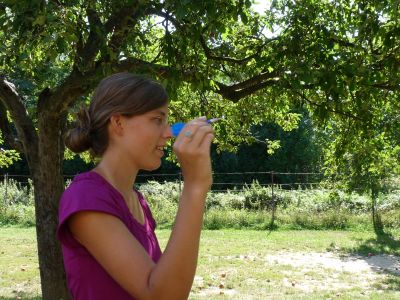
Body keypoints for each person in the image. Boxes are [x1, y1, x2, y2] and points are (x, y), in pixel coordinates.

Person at [57, 72, 215, 300]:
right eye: (157, 120)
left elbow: (164, 278)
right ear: (118, 123)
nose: (169, 133)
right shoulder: (85, 198)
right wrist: (195, 186)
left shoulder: (137, 201)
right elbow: (161, 295)